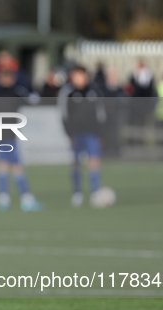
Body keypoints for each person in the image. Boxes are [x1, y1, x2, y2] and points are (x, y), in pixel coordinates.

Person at [0, 69, 42, 212]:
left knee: (4, 165)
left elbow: (33, 100)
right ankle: (25, 199)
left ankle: (4, 198)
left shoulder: (14, 92)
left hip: (6, 134)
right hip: (3, 135)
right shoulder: (0, 93)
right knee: (15, 166)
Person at [58, 65, 107, 207]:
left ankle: (95, 193)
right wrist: (69, 134)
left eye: (81, 75)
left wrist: (101, 134)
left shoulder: (94, 90)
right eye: (76, 75)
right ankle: (77, 193)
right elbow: (64, 115)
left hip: (92, 133)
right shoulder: (68, 91)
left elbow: (101, 114)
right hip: (76, 134)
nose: (79, 78)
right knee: (76, 164)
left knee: (94, 162)